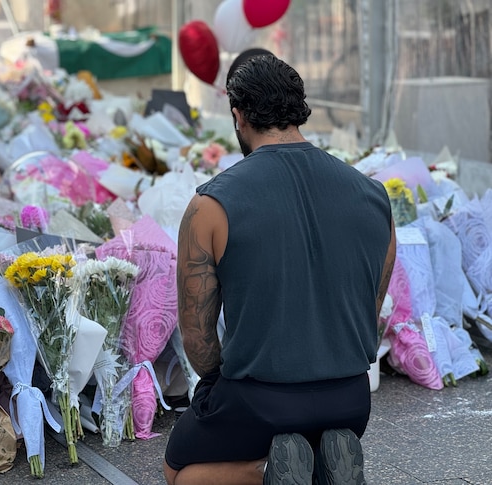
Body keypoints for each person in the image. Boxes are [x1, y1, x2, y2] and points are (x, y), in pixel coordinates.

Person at [164, 54, 396, 485]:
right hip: (348, 397)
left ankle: (272, 469)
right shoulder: (374, 197)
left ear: (238, 116)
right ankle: (322, 458)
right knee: (318, 432)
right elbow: (372, 310)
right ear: (298, 109)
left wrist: (218, 386)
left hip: (259, 401)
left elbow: (198, 340)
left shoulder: (210, 205)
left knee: (179, 472)